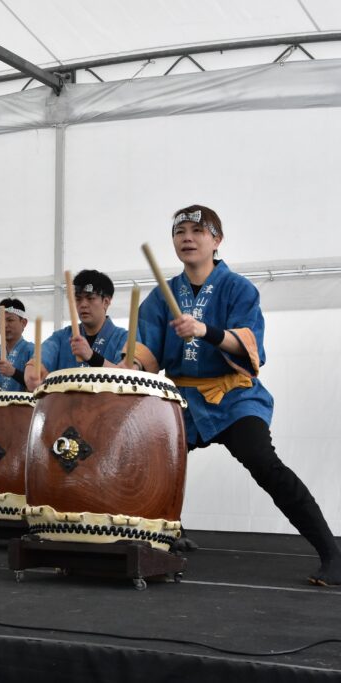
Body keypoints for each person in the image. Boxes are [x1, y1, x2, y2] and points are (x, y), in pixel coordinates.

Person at [128, 204, 340, 586]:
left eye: (197, 230)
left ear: (216, 240)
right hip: (183, 401)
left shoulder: (238, 288)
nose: (187, 238)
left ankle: (333, 553)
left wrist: (205, 330)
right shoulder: (161, 297)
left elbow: (249, 344)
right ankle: (153, 541)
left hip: (234, 397)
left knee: (264, 464)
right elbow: (146, 353)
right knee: (149, 462)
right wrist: (128, 367)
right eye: (180, 232)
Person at [25, 270, 128, 390]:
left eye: (90, 298)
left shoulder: (123, 338)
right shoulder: (61, 337)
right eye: (78, 299)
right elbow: (41, 358)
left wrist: (92, 357)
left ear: (106, 302)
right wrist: (32, 372)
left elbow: (126, 378)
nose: (83, 304)